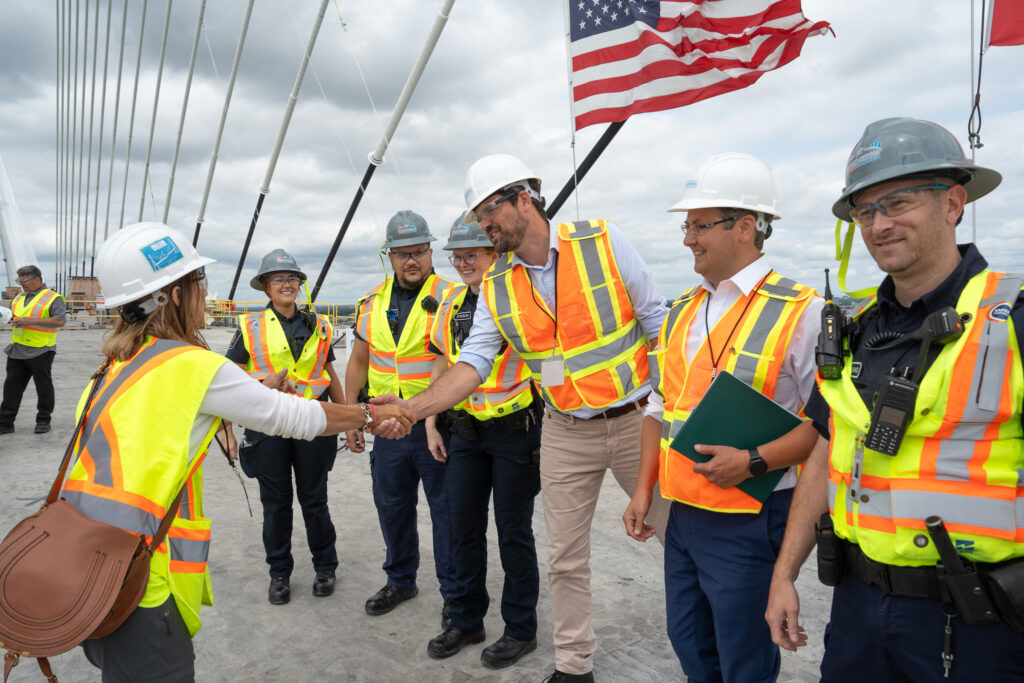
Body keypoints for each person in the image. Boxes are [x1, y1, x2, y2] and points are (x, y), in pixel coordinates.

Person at [68, 221, 410, 681]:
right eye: (198, 283)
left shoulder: (113, 366)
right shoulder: (189, 364)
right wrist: (368, 416)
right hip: (144, 576)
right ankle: (281, 570)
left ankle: (317, 564)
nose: (204, 295)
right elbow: (290, 416)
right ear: (173, 294)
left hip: (89, 563)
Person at [374, 154, 671, 683]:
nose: (483, 226)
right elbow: (472, 365)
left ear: (523, 200)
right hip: (563, 429)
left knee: (681, 538)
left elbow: (657, 323)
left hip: (635, 419)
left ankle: (714, 657)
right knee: (564, 558)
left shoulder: (602, 241)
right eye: (477, 217)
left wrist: (667, 408)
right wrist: (414, 409)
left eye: (489, 212)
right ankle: (574, 666)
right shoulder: (497, 285)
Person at [765, 117, 1024, 682]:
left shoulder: (1011, 321)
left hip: (980, 623)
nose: (880, 224)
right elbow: (825, 451)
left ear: (953, 203)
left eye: (898, 203)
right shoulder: (854, 330)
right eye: (865, 212)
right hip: (859, 609)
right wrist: (785, 574)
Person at [621, 153, 822, 683]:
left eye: (698, 225)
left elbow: (827, 429)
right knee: (689, 643)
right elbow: (659, 406)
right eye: (686, 226)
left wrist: (755, 460)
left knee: (744, 658)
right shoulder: (683, 309)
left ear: (746, 227)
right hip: (682, 513)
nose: (688, 238)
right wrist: (644, 491)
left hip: (750, 519)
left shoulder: (802, 311)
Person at [423, 214, 541, 668]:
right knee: (463, 530)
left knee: (514, 533)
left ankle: (519, 629)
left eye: (473, 253)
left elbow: (548, 361)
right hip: (465, 434)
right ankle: (467, 619)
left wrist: (556, 413)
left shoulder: (520, 300)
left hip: (514, 434)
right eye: (457, 255)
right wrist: (432, 420)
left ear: (497, 255)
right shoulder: (452, 303)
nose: (463, 262)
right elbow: (441, 361)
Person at [344, 210, 456, 625]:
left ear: (431, 252)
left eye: (420, 252)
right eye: (402, 253)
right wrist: (355, 416)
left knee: (446, 512)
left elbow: (451, 360)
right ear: (388, 256)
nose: (412, 261)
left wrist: (430, 417)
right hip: (387, 427)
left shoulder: (452, 296)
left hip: (436, 426)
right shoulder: (370, 303)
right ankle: (401, 579)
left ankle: (454, 594)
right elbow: (358, 361)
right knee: (392, 506)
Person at [223, 249, 342, 605]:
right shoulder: (250, 328)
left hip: (312, 424)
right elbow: (226, 383)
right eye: (278, 279)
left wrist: (348, 417)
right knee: (275, 504)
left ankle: (326, 567)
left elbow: (328, 374)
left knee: (314, 500)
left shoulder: (320, 326)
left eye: (292, 278)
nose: (287, 284)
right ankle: (279, 574)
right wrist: (228, 430)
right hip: (267, 427)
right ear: (265, 288)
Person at [0, 265, 67, 435]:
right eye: (19, 281)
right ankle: (5, 423)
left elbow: (60, 321)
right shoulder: (18, 298)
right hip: (17, 349)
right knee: (11, 388)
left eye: (25, 281)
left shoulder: (54, 298)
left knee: (43, 387)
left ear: (37, 279)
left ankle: (43, 421)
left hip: (41, 349)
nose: (22, 284)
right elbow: (13, 317)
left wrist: (28, 321)